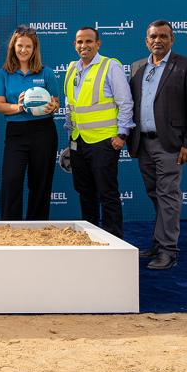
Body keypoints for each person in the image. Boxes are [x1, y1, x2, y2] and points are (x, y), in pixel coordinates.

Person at [127, 20, 187, 270]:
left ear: (172, 39)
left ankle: (169, 251)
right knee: (156, 195)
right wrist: (131, 139)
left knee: (168, 195)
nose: (157, 41)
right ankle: (159, 243)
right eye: (153, 37)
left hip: (171, 144)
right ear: (146, 41)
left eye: (163, 36)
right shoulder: (137, 67)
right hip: (143, 143)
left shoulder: (186, 65)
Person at [64, 27, 134, 238]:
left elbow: (126, 102)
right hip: (78, 141)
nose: (83, 46)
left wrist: (122, 134)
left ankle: (113, 239)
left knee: (107, 193)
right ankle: (90, 237)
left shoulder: (110, 66)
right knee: (85, 193)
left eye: (88, 41)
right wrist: (70, 137)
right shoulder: (72, 69)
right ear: (75, 44)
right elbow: (71, 107)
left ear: (98, 44)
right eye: (79, 42)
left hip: (105, 141)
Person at [0, 26, 60, 221]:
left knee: (40, 183)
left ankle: (36, 229)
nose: (23, 50)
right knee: (11, 180)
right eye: (19, 45)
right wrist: (19, 107)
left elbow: (56, 102)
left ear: (34, 48)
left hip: (43, 131)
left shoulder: (46, 73)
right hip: (16, 132)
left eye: (28, 46)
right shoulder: (4, 73)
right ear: (13, 47)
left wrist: (51, 107)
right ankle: (9, 228)